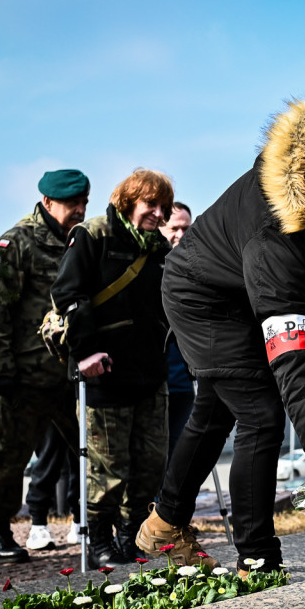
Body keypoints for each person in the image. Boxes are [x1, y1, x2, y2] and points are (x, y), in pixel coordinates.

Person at [135, 94, 305, 573]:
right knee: (261, 413)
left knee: (214, 412)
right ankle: (258, 558)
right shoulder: (277, 229)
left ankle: (164, 524)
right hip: (205, 297)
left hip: (249, 291)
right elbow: (294, 351)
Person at [51, 168, 174, 567]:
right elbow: (67, 293)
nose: (157, 213)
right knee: (108, 468)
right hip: (102, 373)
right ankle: (99, 538)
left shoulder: (159, 248)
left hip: (150, 372)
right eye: (149, 204)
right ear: (128, 202)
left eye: (163, 207)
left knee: (150, 463)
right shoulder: (94, 234)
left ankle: (132, 534)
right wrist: (84, 352)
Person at [0, 169, 87, 563]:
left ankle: (99, 526)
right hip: (25, 374)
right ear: (47, 203)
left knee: (94, 449)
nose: (80, 209)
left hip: (71, 372)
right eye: (72, 203)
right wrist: (2, 370)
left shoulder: (81, 240)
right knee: (11, 453)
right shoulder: (16, 242)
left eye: (84, 202)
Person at [159, 201, 196, 458]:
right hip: (155, 380)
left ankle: (167, 499)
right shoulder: (149, 266)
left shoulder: (196, 265)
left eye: (186, 228)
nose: (179, 235)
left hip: (183, 380)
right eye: (174, 228)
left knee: (176, 449)